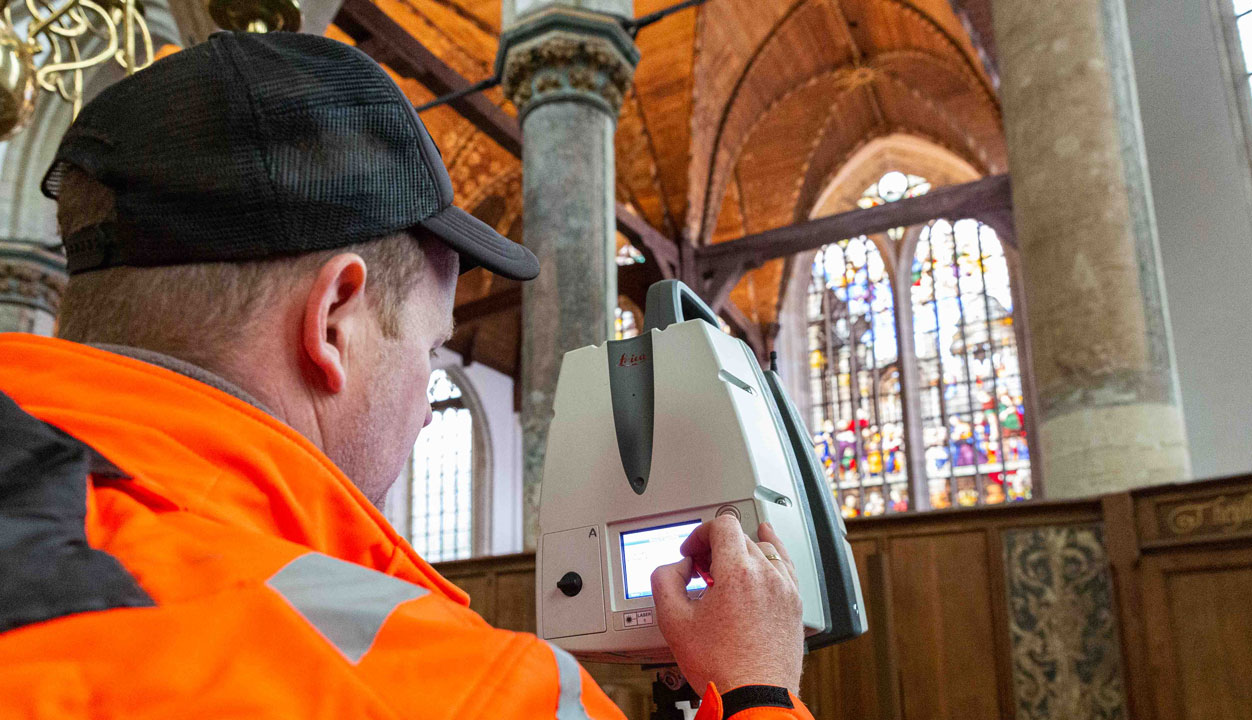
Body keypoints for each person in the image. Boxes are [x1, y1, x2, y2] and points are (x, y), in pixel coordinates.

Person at [0, 31, 813, 719]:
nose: (428, 410)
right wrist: (756, 691)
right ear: (332, 322)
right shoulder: (454, 690)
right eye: (430, 351)